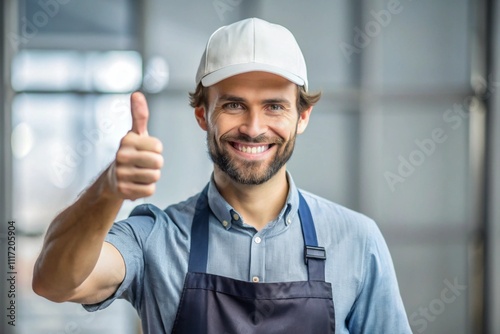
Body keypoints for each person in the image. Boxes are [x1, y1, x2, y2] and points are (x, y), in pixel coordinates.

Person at [33, 18, 412, 333]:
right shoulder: (155, 238)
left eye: (274, 106)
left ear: (302, 117)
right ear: (202, 114)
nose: (253, 127)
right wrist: (108, 188)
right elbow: (53, 281)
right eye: (233, 105)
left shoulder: (358, 240)